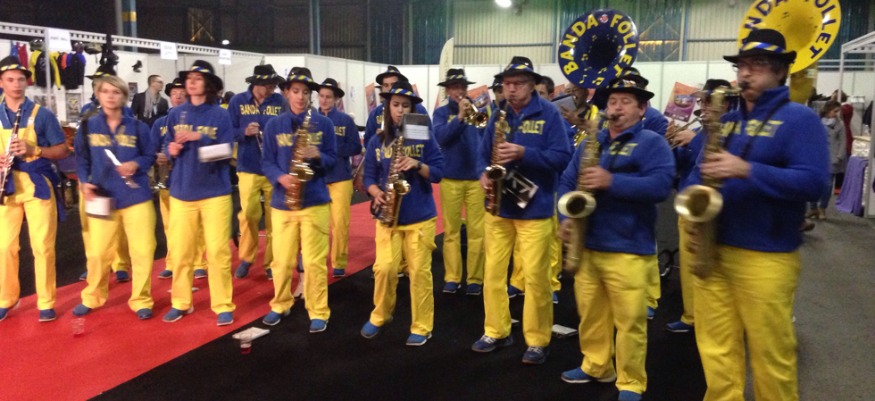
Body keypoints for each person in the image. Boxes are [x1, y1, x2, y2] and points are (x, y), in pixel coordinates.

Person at [691, 29, 828, 401]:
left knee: (771, 354)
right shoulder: (726, 121)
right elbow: (698, 171)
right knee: (716, 349)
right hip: (714, 247)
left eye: (758, 65)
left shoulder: (800, 119)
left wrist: (746, 170)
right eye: (742, 65)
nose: (746, 73)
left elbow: (813, 183)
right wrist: (693, 197)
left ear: (781, 71)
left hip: (766, 254)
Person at [557, 77, 674, 401]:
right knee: (590, 314)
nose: (616, 108)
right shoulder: (590, 142)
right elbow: (566, 182)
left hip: (629, 248)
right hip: (588, 244)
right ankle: (596, 366)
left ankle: (631, 382)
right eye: (612, 102)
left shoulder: (652, 142)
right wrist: (566, 218)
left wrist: (611, 181)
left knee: (630, 322)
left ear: (642, 108)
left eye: (625, 101)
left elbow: (661, 186)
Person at [471, 56, 571, 364]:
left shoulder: (550, 114)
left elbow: (563, 156)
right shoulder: (498, 114)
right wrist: (483, 174)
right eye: (506, 84)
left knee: (537, 279)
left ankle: (537, 340)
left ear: (531, 85)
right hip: (499, 207)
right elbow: (482, 154)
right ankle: (496, 330)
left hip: (535, 209)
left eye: (517, 84)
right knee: (492, 274)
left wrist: (524, 153)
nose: (510, 89)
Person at [360, 80, 444, 346]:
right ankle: (381, 315)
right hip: (388, 217)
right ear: (388, 107)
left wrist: (417, 164)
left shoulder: (423, 135)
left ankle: (422, 326)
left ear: (412, 109)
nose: (399, 110)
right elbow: (368, 177)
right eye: (395, 105)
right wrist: (376, 192)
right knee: (384, 268)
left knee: (419, 273)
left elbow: (438, 173)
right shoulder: (377, 139)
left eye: (405, 105)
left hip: (420, 216)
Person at [72, 75, 156, 319]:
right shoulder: (87, 127)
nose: (110, 96)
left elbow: (149, 156)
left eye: (116, 92)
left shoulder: (138, 127)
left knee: (142, 251)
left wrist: (136, 164)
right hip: (102, 197)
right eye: (106, 91)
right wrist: (84, 182)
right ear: (98, 95)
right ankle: (93, 296)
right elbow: (82, 158)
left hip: (136, 197)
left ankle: (141, 299)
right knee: (98, 252)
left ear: (124, 96)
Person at [260, 67, 336, 331]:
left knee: (315, 262)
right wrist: (280, 178)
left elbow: (333, 160)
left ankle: (318, 310)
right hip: (283, 202)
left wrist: (318, 155)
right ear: (286, 93)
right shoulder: (273, 125)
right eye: (295, 91)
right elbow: (266, 161)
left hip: (315, 201)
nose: (301, 96)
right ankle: (280, 304)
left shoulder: (324, 124)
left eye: (305, 92)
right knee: (281, 261)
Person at [162, 60, 236, 326]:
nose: (191, 82)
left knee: (217, 252)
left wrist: (199, 139)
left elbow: (227, 152)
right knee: (181, 252)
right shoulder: (175, 114)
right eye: (189, 78)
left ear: (209, 84)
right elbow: (166, 146)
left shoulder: (220, 115)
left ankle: (223, 304)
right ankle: (181, 302)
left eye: (198, 78)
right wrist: (170, 150)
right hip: (182, 193)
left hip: (215, 193)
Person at [0, 55, 70, 322]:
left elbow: (63, 150)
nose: (16, 84)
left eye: (20, 79)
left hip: (38, 185)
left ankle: (46, 301)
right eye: (10, 80)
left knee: (42, 246)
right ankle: (6, 298)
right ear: (1, 82)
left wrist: (35, 150)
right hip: (6, 186)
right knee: (4, 247)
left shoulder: (42, 115)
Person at [665, 78, 731, 334]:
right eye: (702, 102)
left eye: (708, 101)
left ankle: (708, 321)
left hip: (713, 212)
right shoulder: (699, 130)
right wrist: (672, 145)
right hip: (689, 206)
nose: (702, 107)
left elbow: (711, 164)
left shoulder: (727, 130)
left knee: (712, 273)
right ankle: (691, 316)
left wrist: (693, 140)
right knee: (690, 268)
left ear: (725, 103)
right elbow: (682, 165)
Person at [228, 64, 285, 280]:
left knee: (275, 218)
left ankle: (271, 262)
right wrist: (243, 132)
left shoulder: (280, 102)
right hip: (248, 166)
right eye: (268, 85)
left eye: (273, 85)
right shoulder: (237, 101)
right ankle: (247, 256)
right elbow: (227, 131)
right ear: (256, 84)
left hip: (274, 169)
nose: (271, 89)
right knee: (248, 214)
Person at [78, 64, 134, 283]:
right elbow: (82, 147)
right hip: (93, 175)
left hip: (115, 174)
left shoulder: (124, 111)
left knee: (117, 223)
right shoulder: (87, 110)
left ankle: (121, 263)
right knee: (91, 224)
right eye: (97, 83)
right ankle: (93, 264)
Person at [433, 68, 485, 296]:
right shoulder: (440, 113)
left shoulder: (479, 111)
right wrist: (460, 118)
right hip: (450, 178)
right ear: (447, 91)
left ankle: (475, 278)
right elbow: (440, 138)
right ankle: (452, 277)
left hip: (475, 179)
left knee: (477, 232)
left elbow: (486, 138)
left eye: (462, 87)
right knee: (451, 231)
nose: (459, 91)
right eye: (454, 87)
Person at [151, 78, 208, 280]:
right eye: (174, 93)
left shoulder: (197, 121)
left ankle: (199, 262)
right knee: (170, 226)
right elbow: (151, 149)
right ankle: (172, 262)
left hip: (192, 180)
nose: (178, 96)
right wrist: (158, 156)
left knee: (197, 226)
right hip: (167, 181)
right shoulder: (159, 123)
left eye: (182, 93)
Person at [316, 78, 362, 278]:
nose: (324, 100)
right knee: (316, 224)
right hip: (317, 178)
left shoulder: (345, 120)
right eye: (322, 96)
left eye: (328, 97)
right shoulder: (310, 119)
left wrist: (332, 150)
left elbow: (356, 147)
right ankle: (316, 259)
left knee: (340, 224)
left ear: (336, 99)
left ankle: (339, 263)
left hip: (340, 178)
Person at [362, 66, 429, 149]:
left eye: (393, 85)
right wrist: (377, 140)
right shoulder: (375, 113)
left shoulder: (419, 110)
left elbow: (429, 141)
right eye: (385, 85)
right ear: (381, 88)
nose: (390, 88)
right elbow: (367, 142)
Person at [806, 100, 846, 220]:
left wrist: (839, 157)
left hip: (832, 158)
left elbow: (843, 142)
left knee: (827, 185)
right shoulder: (817, 121)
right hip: (816, 156)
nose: (837, 114)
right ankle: (813, 208)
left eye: (838, 111)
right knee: (813, 183)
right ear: (828, 110)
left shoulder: (840, 125)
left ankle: (822, 208)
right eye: (835, 111)